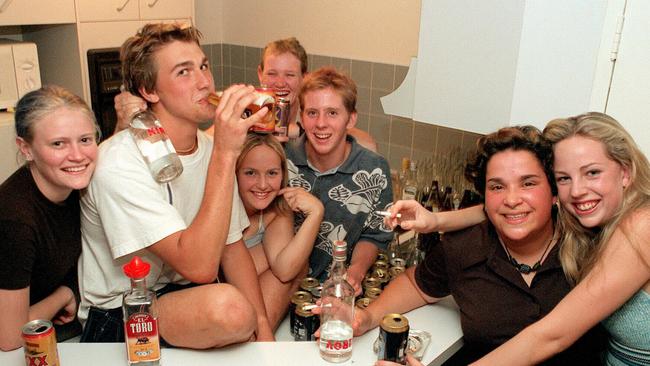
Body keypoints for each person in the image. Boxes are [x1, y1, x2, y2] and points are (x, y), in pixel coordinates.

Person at [78, 23, 275, 348]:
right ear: (149, 90)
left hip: (183, 297)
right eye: (184, 72)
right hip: (121, 311)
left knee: (248, 318)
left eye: (204, 66)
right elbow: (198, 266)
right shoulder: (118, 162)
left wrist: (265, 331)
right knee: (231, 309)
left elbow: (231, 246)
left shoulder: (209, 147)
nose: (204, 82)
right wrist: (227, 152)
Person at [359, 126, 604, 365]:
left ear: (554, 192)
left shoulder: (591, 243)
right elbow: (415, 284)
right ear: (484, 198)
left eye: (528, 183)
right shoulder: (466, 247)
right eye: (497, 187)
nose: (511, 200)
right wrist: (367, 317)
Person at [471, 113, 650, 365]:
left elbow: (551, 337)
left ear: (625, 173)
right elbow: (510, 206)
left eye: (592, 172)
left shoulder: (642, 227)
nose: (576, 191)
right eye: (564, 178)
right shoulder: (601, 224)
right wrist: (439, 221)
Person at [114, 37, 379, 151]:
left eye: (290, 75)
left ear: (304, 78)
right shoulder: (249, 110)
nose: (280, 83)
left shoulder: (313, 113)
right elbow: (206, 141)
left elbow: (368, 144)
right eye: (272, 74)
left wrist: (300, 129)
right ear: (260, 74)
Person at [0, 85, 99, 350]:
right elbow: (10, 337)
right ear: (26, 148)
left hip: (58, 325)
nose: (77, 155)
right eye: (58, 144)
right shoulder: (14, 218)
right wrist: (65, 294)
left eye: (85, 140)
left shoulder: (75, 186)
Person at [285, 66, 394, 294]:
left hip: (335, 291)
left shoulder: (374, 169)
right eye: (312, 113)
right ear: (301, 119)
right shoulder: (281, 161)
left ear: (351, 119)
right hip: (282, 284)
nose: (321, 123)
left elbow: (375, 235)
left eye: (332, 113)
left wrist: (356, 271)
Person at [236, 133, 323, 330]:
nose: (263, 184)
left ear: (283, 174)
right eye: (250, 173)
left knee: (297, 264)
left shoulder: (276, 210)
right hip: (213, 298)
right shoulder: (223, 208)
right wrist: (264, 256)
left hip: (248, 303)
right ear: (235, 172)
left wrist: (316, 213)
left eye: (272, 173)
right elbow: (218, 275)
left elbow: (285, 270)